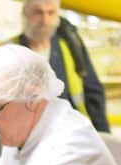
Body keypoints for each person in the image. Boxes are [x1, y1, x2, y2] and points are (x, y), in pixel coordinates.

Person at [13, 0, 110, 132]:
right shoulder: (10, 51)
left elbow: (92, 90)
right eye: (38, 12)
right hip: (24, 136)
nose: (45, 20)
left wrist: (103, 133)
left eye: (50, 12)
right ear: (25, 13)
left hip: (69, 132)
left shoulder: (70, 48)